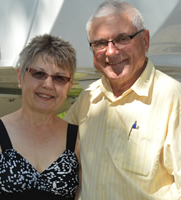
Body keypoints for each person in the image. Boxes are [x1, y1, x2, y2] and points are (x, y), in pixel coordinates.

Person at [64, 1, 181, 199]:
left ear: (145, 40)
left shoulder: (173, 98)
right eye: (100, 43)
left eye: (122, 38)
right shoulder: (88, 98)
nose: (111, 51)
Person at [0, 34, 80, 200]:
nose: (48, 85)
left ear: (69, 85)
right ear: (20, 77)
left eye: (59, 78)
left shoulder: (77, 139)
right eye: (39, 73)